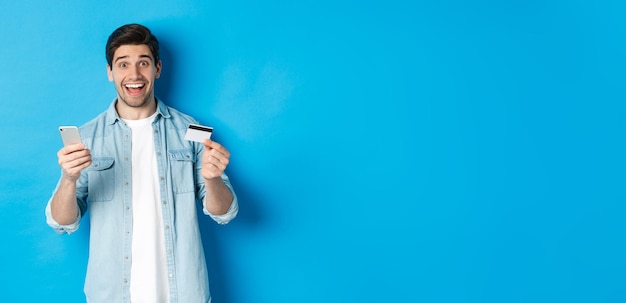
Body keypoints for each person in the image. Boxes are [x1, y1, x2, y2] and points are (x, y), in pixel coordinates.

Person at [45, 23, 238, 303]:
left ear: (157, 69)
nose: (134, 75)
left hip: (183, 294)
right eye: (123, 64)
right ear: (110, 72)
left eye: (143, 63)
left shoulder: (191, 129)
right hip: (111, 294)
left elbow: (225, 212)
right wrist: (68, 179)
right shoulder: (87, 137)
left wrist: (212, 179)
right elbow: (61, 223)